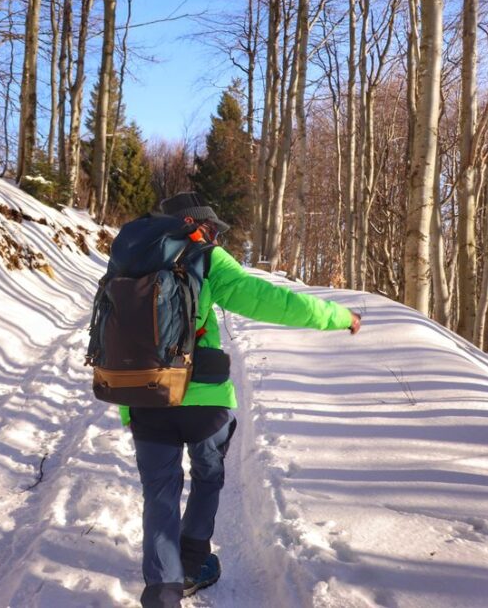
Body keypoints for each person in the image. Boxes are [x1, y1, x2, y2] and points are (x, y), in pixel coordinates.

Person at [126, 192, 361, 608]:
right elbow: (273, 300)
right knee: (208, 476)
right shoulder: (206, 257)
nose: (214, 235)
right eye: (210, 228)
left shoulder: (130, 258)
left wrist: (130, 409)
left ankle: (162, 592)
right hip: (204, 399)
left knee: (159, 493)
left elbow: (120, 338)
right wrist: (338, 316)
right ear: (192, 225)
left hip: (145, 397)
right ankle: (194, 563)